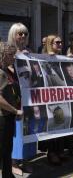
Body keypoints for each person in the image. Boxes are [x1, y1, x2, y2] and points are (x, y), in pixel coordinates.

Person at [7, 22, 33, 175]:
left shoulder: (29, 51)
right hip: (14, 97)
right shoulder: (8, 51)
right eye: (20, 33)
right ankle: (13, 161)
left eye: (25, 33)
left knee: (29, 128)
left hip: (30, 97)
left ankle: (26, 159)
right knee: (16, 130)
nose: (23, 36)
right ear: (13, 35)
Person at [41, 34, 68, 165]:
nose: (60, 44)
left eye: (61, 42)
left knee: (64, 121)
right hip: (51, 98)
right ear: (50, 44)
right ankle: (51, 152)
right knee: (54, 122)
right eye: (57, 42)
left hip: (63, 96)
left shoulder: (62, 58)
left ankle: (60, 150)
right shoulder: (44, 59)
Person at [0, 42, 23, 178]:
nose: (13, 58)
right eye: (11, 55)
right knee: (5, 149)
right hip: (4, 117)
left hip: (7, 116)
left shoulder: (6, 71)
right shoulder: (1, 73)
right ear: (3, 55)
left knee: (6, 149)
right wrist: (15, 111)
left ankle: (8, 174)